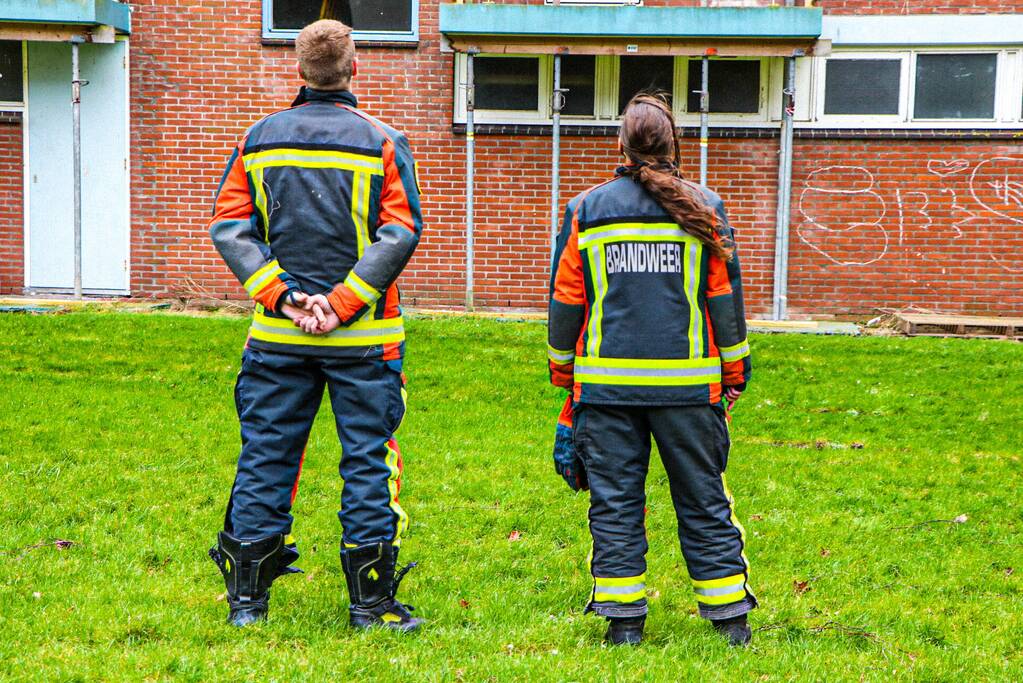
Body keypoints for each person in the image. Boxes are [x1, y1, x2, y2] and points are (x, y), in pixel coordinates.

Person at [206, 19, 424, 631]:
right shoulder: (383, 141)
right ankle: (371, 605)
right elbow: (400, 232)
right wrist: (343, 302)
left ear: (298, 70)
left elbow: (230, 227)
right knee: (368, 461)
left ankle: (247, 604)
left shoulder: (258, 140)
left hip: (278, 336)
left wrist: (283, 297)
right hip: (365, 340)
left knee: (266, 455)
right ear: (354, 68)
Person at [547, 93, 755, 647]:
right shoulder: (705, 206)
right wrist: (734, 372)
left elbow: (566, 299)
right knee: (703, 499)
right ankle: (730, 621)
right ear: (673, 143)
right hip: (689, 391)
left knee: (615, 503)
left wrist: (563, 372)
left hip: (606, 390)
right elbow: (724, 299)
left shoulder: (586, 210)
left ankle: (624, 625)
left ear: (621, 145)